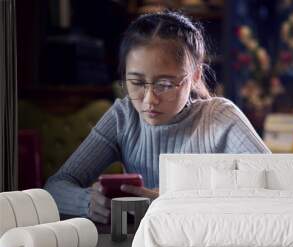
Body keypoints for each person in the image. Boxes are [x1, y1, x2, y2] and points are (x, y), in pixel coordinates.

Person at [44, 11, 271, 224]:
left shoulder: (219, 117)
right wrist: (88, 202)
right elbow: (55, 187)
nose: (149, 100)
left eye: (165, 84)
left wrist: (174, 201)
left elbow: (276, 182)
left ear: (194, 76)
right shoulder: (124, 117)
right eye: (137, 83)